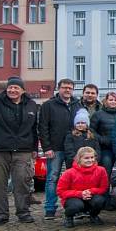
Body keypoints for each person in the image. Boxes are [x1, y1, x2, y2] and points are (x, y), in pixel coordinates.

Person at [0, 76, 39, 227]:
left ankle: (23, 212)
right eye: (10, 87)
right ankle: (0, 214)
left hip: (23, 150)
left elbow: (34, 129)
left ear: (22, 90)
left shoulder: (31, 105)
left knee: (22, 182)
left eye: (16, 88)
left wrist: (34, 148)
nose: (12, 90)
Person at [39, 78, 82, 220]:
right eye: (64, 87)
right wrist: (47, 147)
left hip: (74, 148)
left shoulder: (77, 105)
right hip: (55, 148)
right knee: (52, 178)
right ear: (59, 88)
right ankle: (50, 208)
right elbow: (43, 127)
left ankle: (73, 206)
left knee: (75, 179)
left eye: (70, 87)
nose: (67, 90)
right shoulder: (49, 105)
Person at [56, 146, 108, 228]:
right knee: (76, 206)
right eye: (86, 158)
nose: (90, 160)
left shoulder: (101, 170)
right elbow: (61, 191)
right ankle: (69, 217)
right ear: (79, 159)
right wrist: (80, 193)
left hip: (91, 196)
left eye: (92, 157)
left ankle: (93, 215)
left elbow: (103, 188)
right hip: (74, 198)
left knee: (100, 200)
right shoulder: (69, 173)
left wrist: (90, 191)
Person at [91, 92, 116, 178]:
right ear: (106, 101)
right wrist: (102, 139)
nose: (113, 102)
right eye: (111, 100)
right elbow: (91, 130)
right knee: (106, 172)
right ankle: (105, 191)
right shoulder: (98, 114)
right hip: (104, 148)